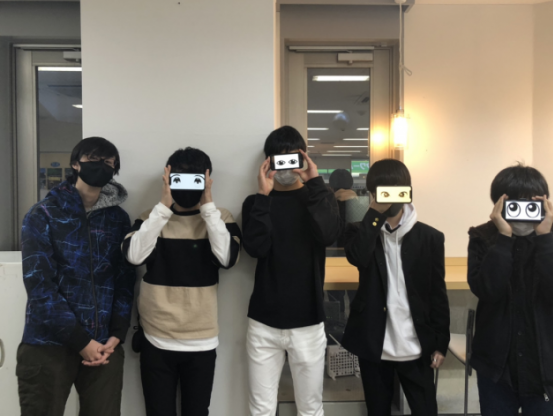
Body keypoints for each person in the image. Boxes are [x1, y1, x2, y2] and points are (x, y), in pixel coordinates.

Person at [17, 137, 135, 416]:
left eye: (108, 162)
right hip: (47, 344)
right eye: (93, 160)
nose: (101, 166)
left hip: (104, 345)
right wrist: (81, 341)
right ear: (75, 164)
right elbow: (39, 286)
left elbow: (125, 279)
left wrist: (117, 333)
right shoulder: (43, 214)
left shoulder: (118, 219)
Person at [122, 147, 241, 416]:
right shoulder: (149, 218)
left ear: (207, 180)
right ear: (168, 179)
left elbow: (227, 259)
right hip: (156, 337)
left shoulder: (220, 218)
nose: (186, 186)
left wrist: (207, 207)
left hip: (202, 339)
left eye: (195, 179)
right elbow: (133, 256)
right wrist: (163, 208)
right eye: (178, 178)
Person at [242, 126, 342, 416]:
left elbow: (328, 235)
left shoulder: (319, 197)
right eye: (279, 159)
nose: (286, 167)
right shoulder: (255, 203)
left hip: (308, 321)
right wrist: (263, 195)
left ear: (303, 158)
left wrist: (315, 183)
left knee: (310, 408)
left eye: (292, 158)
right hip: (263, 322)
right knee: (261, 409)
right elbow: (256, 248)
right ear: (268, 162)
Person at [467, 164, 553, 416]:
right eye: (513, 204)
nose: (522, 212)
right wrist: (503, 238)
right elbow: (487, 290)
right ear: (499, 204)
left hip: (548, 369)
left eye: (531, 204)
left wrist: (545, 238)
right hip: (496, 368)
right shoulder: (482, 239)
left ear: (545, 203)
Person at [342, 159, 450, 416]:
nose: (390, 198)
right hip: (375, 345)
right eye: (383, 191)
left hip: (417, 346)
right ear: (372, 194)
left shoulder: (430, 238)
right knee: (377, 411)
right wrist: (373, 215)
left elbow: (437, 293)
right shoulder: (359, 232)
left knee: (426, 410)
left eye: (396, 190)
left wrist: (440, 342)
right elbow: (358, 257)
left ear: (407, 191)